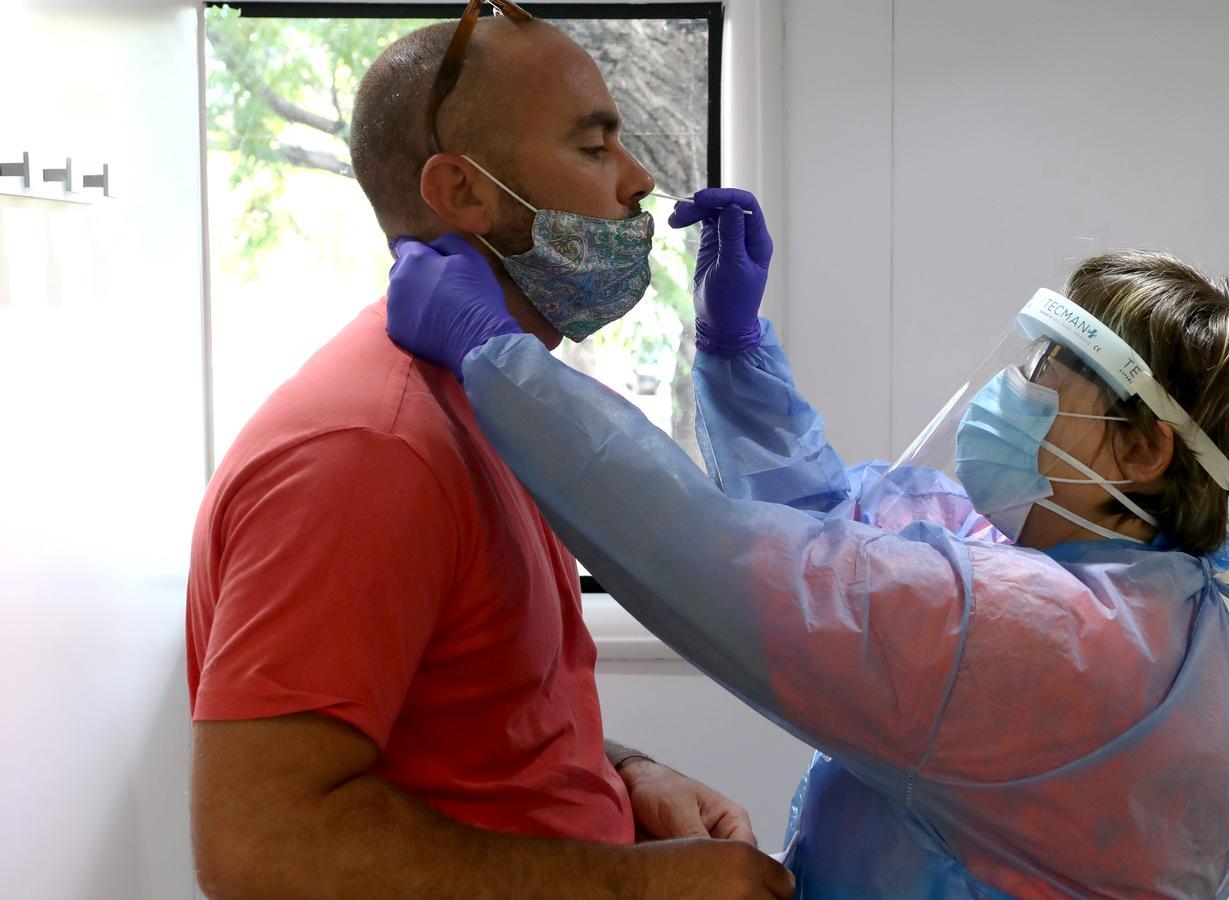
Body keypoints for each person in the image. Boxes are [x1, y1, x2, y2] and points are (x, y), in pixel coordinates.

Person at [383, 187, 1229, 898]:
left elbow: (716, 560)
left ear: (1141, 450)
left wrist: (496, 356)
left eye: (1044, 375)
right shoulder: (1113, 590)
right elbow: (830, 525)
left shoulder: (1060, 647)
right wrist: (735, 347)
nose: (1012, 391)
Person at [186, 6, 793, 899]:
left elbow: (481, 714)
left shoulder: (488, 407)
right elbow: (261, 843)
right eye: (594, 149)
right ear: (464, 194)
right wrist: (643, 889)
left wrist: (629, 775)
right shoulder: (371, 450)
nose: (639, 180)